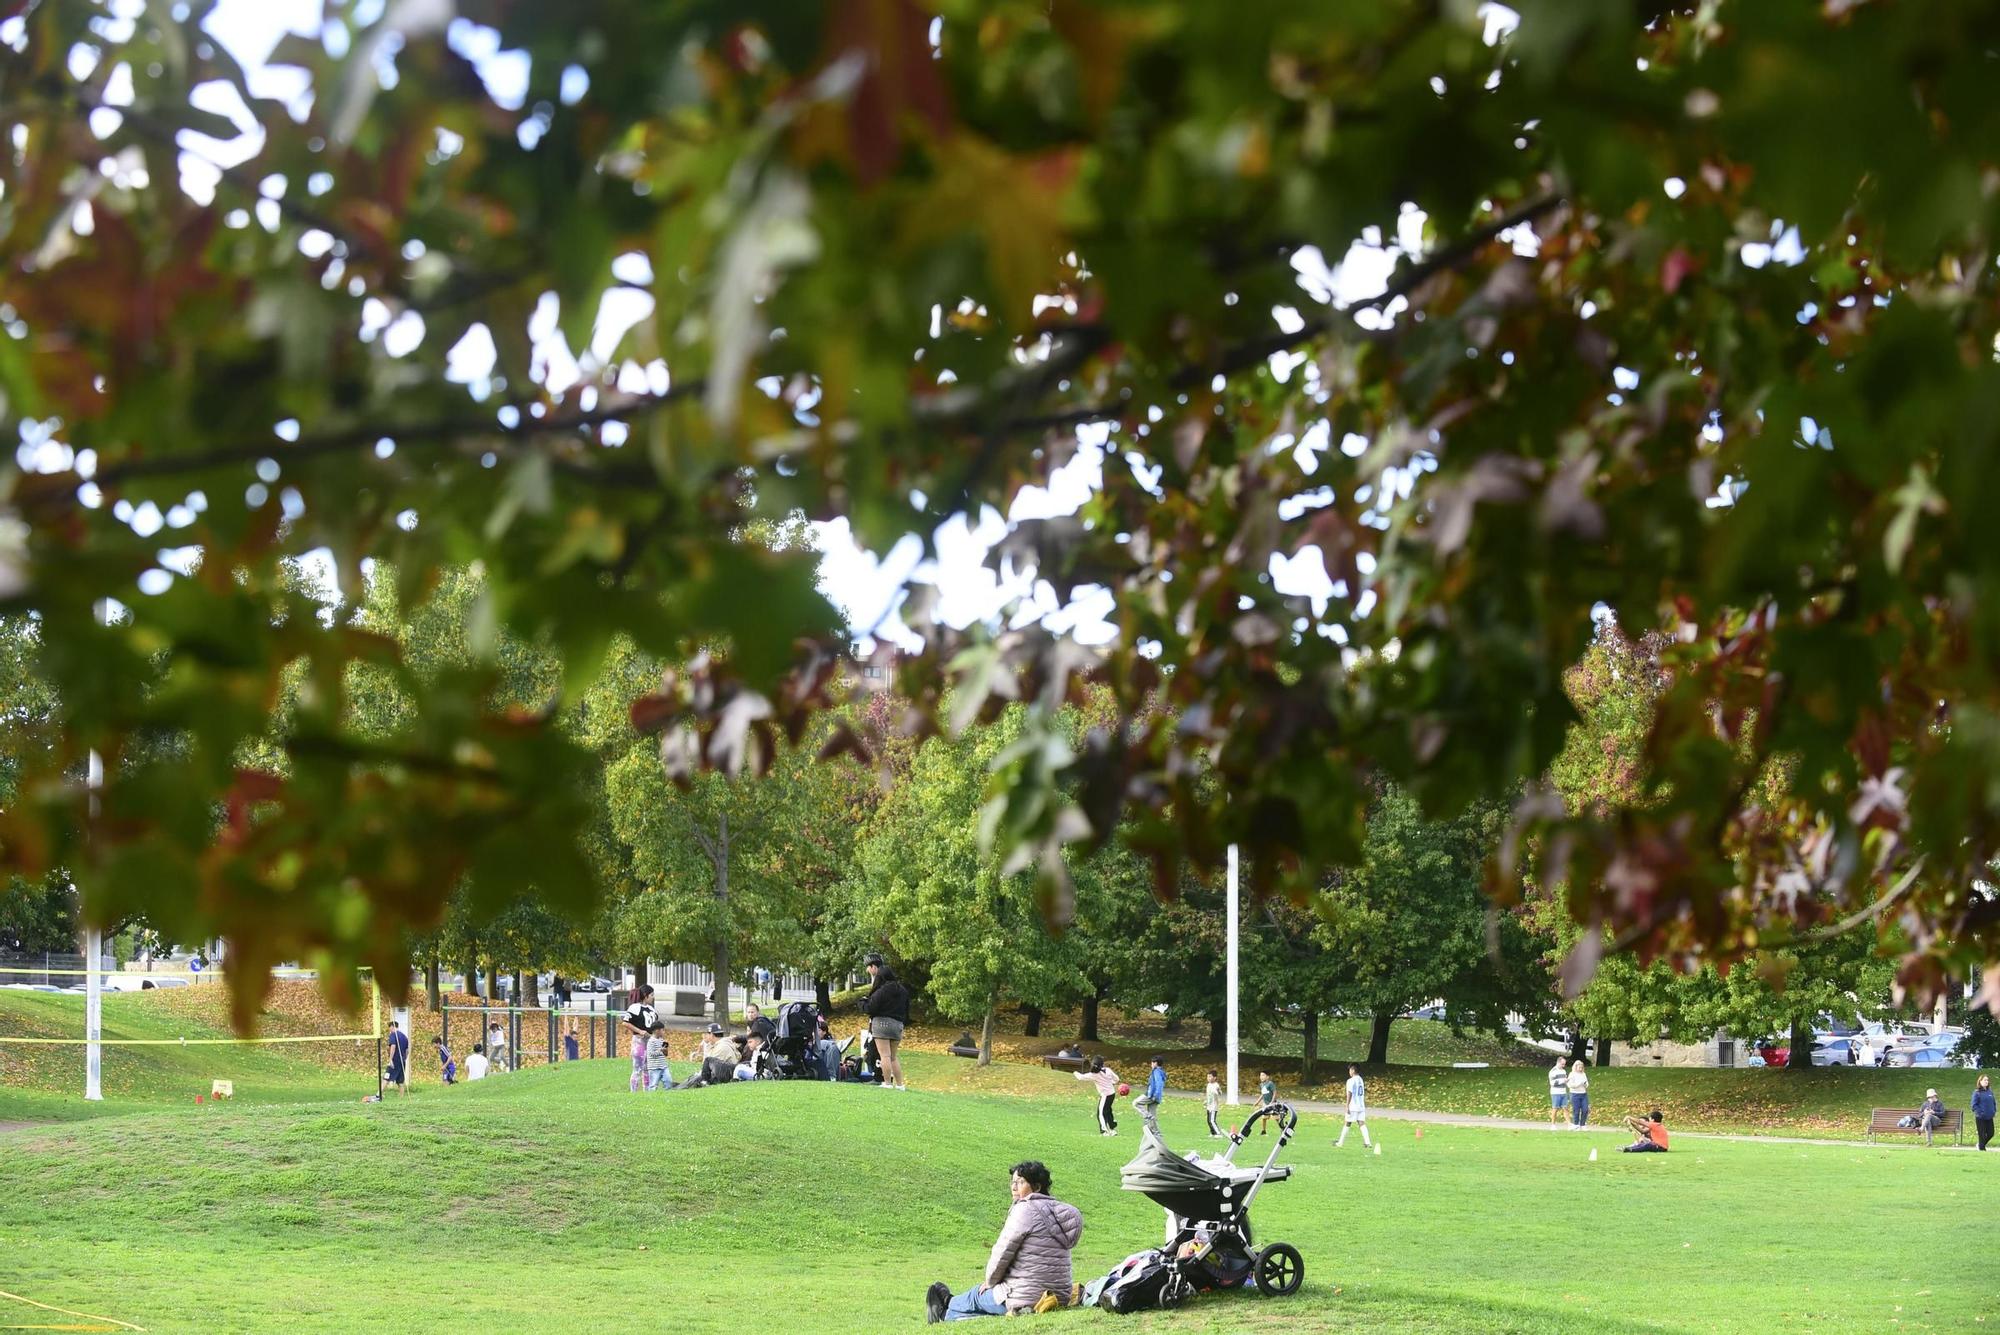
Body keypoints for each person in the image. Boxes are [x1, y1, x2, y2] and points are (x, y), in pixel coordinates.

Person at [924, 1160, 1083, 1323]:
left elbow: (1002, 1252)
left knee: (975, 1296)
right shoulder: (1059, 1212)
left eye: (1021, 1182)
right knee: (983, 1303)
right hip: (1060, 1296)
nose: (1014, 1187)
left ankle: (946, 1306)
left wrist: (990, 1281)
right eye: (1013, 1182)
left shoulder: (1025, 1209)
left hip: (1024, 1298)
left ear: (1036, 1187)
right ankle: (947, 1313)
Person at [862, 952, 911, 1091]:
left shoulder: (881, 990)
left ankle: (887, 1083)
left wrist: (862, 1002)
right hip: (898, 1025)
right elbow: (907, 1010)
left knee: (884, 1055)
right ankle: (900, 1085)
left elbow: (871, 1007)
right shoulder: (902, 990)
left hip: (882, 1024)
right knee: (894, 1057)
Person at [621, 983, 659, 1094]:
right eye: (651, 995)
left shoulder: (652, 1010)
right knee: (637, 1069)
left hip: (650, 1043)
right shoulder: (635, 1008)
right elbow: (625, 1023)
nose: (653, 997)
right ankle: (634, 1093)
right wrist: (640, 1031)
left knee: (648, 1069)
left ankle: (647, 1092)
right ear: (646, 995)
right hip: (639, 1042)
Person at [1074, 1057, 1120, 1135]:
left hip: (1105, 1096)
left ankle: (1104, 1131)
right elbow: (1117, 1079)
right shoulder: (1108, 1070)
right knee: (1108, 1111)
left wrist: (1075, 1072)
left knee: (1101, 1113)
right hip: (1112, 1094)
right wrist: (1110, 1082)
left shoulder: (1094, 1075)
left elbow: (1080, 1077)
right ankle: (1112, 1129)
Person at [1336, 1064, 1372, 1149]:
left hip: (1353, 1106)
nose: (1349, 1072)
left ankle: (1340, 1142)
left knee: (1347, 1123)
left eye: (1350, 1070)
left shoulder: (1350, 1081)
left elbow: (1350, 1093)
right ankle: (1368, 1142)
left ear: (1352, 1070)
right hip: (1361, 1106)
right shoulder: (1360, 1080)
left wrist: (1347, 1105)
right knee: (1361, 1123)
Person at [1134, 1057, 1167, 1142]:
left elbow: (1159, 1084)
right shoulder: (1160, 1072)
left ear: (1155, 1063)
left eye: (1152, 1063)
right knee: (1153, 1116)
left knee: (1136, 1103)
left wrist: (1154, 1095)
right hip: (1156, 1096)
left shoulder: (1156, 1072)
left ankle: (1147, 1116)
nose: (1151, 1064)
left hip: (1152, 1095)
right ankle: (1157, 1134)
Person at [382, 1020, 410, 1095]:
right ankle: (401, 1097)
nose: (389, 1029)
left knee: (386, 1077)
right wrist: (404, 1059)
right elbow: (407, 1050)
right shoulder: (404, 1037)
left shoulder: (393, 1035)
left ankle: (379, 1095)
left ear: (392, 1026)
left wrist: (390, 1059)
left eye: (389, 1027)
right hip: (402, 1061)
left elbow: (393, 1046)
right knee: (400, 1081)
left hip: (395, 1061)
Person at [644, 1024, 672, 1091]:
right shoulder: (651, 1041)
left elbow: (665, 1055)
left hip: (664, 1066)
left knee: (668, 1081)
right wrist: (661, 1050)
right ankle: (651, 1098)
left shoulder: (662, 1040)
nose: (664, 1032)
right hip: (654, 1068)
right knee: (653, 1085)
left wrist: (665, 1050)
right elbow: (651, 1054)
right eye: (663, 1030)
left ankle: (668, 1095)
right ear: (657, 1031)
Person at [1972, 1074, 1995, 1152]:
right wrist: (1980, 1113)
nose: (1986, 1081)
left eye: (1987, 1080)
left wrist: (1993, 1111)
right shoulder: (1977, 1092)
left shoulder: (1990, 1092)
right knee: (1982, 1135)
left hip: (1989, 1116)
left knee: (1991, 1133)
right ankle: (1982, 1149)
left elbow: (1993, 1103)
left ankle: (1980, 1145)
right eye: (1984, 1080)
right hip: (1980, 1117)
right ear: (1980, 1081)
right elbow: (1974, 1105)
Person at [1567, 1060, 1590, 1129]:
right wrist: (1579, 1084)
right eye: (1579, 1068)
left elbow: (1586, 1083)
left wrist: (1585, 1084)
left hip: (1583, 1093)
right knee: (1576, 1110)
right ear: (1575, 1067)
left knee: (1585, 1109)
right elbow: (1570, 1085)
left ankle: (1583, 1124)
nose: (1580, 1069)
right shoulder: (1572, 1074)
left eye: (1581, 1068)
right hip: (1575, 1094)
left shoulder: (1583, 1074)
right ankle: (1576, 1124)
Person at [1548, 1056, 1569, 1127]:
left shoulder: (1563, 1071)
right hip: (1555, 1092)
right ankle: (1553, 1124)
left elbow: (1565, 1081)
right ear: (1558, 1062)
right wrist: (1563, 1081)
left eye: (1564, 1064)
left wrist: (1568, 1083)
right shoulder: (1553, 1071)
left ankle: (1569, 1124)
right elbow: (1552, 1083)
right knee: (1555, 1108)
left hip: (1563, 1092)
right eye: (1562, 1064)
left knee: (1565, 1108)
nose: (1563, 1065)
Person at [1203, 1069, 1223, 1138]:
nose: (1208, 1078)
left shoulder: (1216, 1085)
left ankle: (1218, 1133)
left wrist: (1217, 1091)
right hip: (1209, 1105)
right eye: (1208, 1077)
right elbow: (1209, 1095)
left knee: (1212, 1120)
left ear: (1214, 1078)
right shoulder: (1208, 1085)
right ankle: (1213, 1132)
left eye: (1210, 1077)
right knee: (1208, 1121)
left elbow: (1219, 1093)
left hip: (1214, 1106)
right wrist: (1206, 1101)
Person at [1255, 1070, 1276, 1135]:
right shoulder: (1261, 1084)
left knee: (1277, 1118)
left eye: (1263, 1075)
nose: (1261, 1077)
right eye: (1260, 1075)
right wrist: (1257, 1102)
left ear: (1267, 1077)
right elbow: (1263, 1094)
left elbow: (1275, 1093)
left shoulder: (1270, 1083)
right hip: (1265, 1104)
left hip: (1273, 1104)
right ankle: (1263, 1131)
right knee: (1264, 1118)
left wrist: (1272, 1102)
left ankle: (1283, 1129)